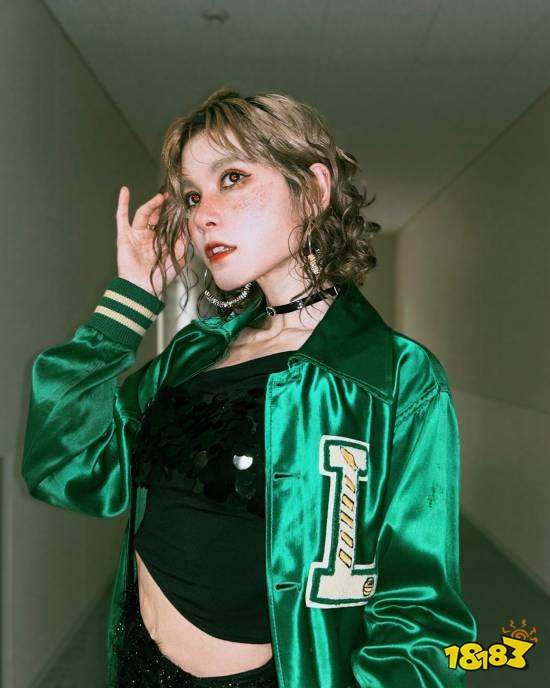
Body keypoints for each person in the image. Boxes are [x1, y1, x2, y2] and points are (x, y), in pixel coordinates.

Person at [21, 88, 477, 688]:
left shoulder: (394, 377)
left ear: (312, 189)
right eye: (192, 195)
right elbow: (67, 467)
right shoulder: (192, 355)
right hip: (134, 667)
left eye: (232, 178)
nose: (202, 214)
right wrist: (129, 301)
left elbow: (420, 616)